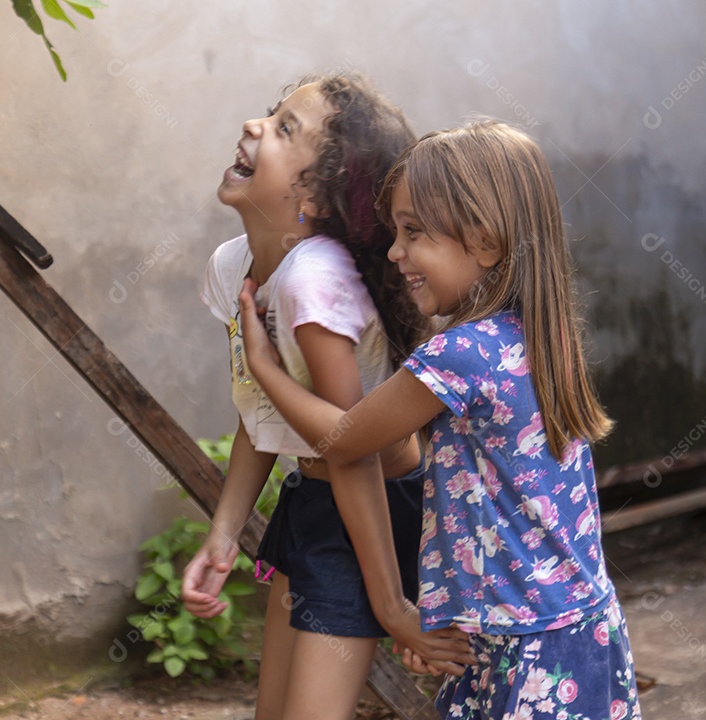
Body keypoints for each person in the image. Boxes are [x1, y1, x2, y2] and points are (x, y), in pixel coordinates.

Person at [237, 120, 642, 719]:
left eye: (414, 233)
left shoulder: (461, 356)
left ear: (484, 242)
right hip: (581, 631)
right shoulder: (541, 338)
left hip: (520, 654)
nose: (396, 252)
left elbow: (343, 441)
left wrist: (264, 365)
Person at [180, 73, 471, 720]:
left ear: (315, 194)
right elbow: (263, 412)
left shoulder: (310, 284)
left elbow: (352, 448)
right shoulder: (234, 268)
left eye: (285, 128)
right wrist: (224, 536)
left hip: (374, 505)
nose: (255, 126)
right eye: (268, 115)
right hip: (316, 496)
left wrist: (394, 606)